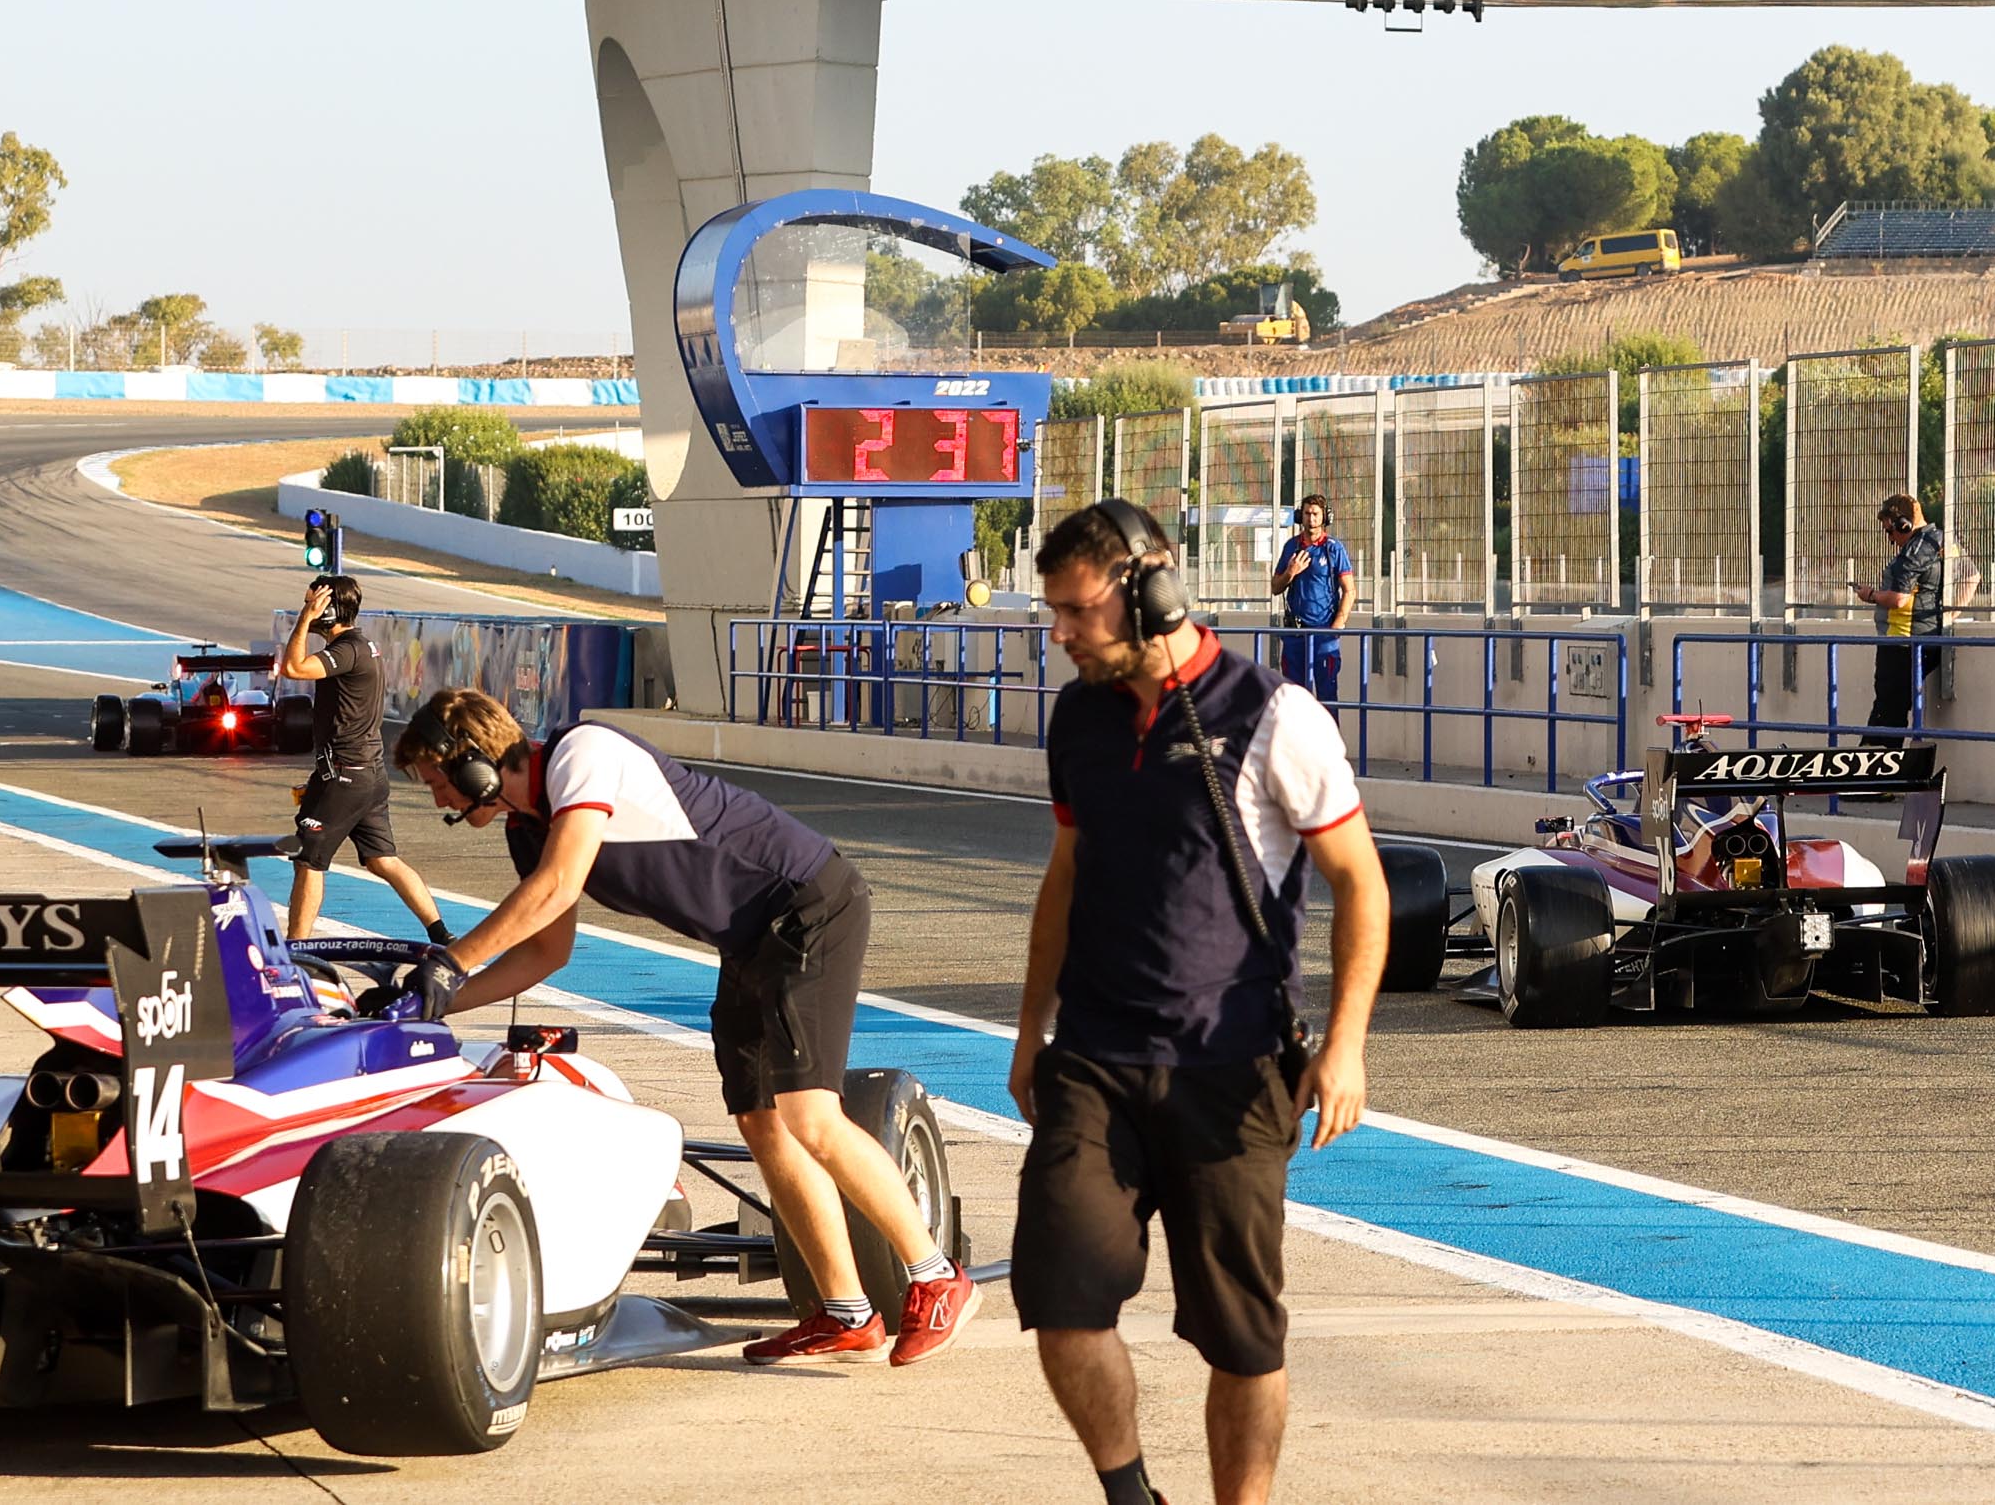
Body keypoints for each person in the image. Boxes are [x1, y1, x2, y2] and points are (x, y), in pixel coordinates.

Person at [392, 687, 970, 1366]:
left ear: (474, 767)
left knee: (810, 1114)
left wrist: (451, 959)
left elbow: (558, 883)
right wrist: (431, 1000)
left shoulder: (583, 754)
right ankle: (849, 1313)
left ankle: (936, 1275)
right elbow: (548, 948)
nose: (436, 801)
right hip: (752, 937)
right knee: (761, 1120)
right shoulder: (528, 827)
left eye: (437, 781)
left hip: (808, 905)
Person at [1011, 499, 1387, 1505]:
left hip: (1230, 1068)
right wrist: (1028, 1027)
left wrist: (1343, 1045)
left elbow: (1360, 880)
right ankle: (1132, 1494)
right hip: (1093, 1056)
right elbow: (1066, 870)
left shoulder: (1273, 713)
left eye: (1076, 609)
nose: (1059, 631)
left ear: (1150, 590)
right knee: (1059, 1295)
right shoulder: (1078, 717)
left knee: (1240, 1333)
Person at [272, 575, 448, 945]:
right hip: (364, 772)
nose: (306, 608)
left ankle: (296, 950)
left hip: (346, 774)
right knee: (382, 860)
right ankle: (441, 933)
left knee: (308, 859)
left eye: (312, 602)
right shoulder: (362, 645)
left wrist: (305, 620)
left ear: (329, 609)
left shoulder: (349, 648)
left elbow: (293, 668)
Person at [1860, 493, 1956, 742]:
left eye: (1890, 532)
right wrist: (1949, 614)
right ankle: (1876, 762)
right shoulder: (1943, 540)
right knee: (1890, 709)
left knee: (1888, 712)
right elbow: (1972, 576)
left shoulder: (1913, 552)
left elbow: (1898, 599)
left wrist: (1870, 595)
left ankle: (1879, 768)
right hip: (1923, 639)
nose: (1892, 540)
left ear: (1903, 524)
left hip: (1902, 642)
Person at [1265, 498, 1351, 704]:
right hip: (1295, 634)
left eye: (1315, 514)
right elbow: (1276, 587)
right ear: (1299, 516)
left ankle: (1328, 737)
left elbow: (1350, 590)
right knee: (1293, 699)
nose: (1311, 518)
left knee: (1327, 697)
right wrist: (1291, 572)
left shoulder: (1334, 549)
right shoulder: (1291, 547)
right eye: (1306, 514)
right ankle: (1295, 738)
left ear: (1324, 517)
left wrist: (1336, 627)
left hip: (1324, 635)